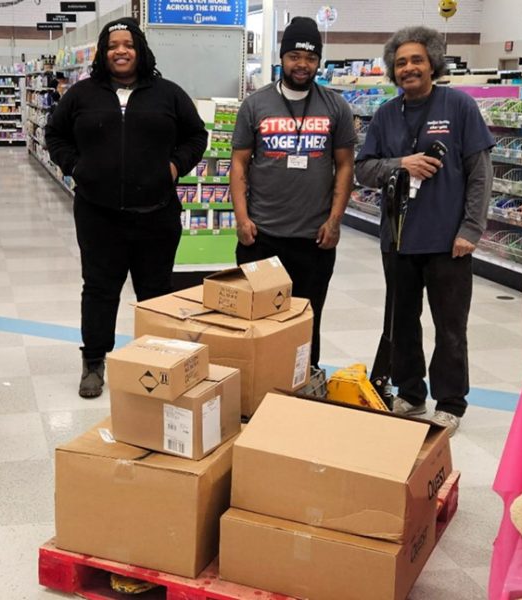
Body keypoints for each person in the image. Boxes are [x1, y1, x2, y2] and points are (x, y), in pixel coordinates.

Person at [45, 17, 208, 398]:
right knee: (100, 290)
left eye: (128, 44)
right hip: (98, 215)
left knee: (155, 291)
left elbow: (195, 134)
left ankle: (156, 360)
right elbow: (55, 133)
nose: (121, 50)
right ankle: (94, 362)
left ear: (140, 50)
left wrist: (173, 167)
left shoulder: (167, 93)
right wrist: (75, 166)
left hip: (157, 214)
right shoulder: (82, 94)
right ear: (103, 52)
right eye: (113, 45)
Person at [355, 25, 494, 436]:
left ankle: (450, 401)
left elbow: (479, 174)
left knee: (450, 325)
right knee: (403, 322)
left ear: (433, 62)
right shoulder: (385, 114)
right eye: (400, 63)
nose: (409, 68)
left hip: (449, 241)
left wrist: (471, 227)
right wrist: (402, 164)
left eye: (417, 60)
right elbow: (364, 169)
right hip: (397, 239)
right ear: (392, 71)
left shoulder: (459, 107)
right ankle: (411, 393)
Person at [230, 16, 356, 369]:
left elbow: (346, 164)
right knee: (257, 322)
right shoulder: (255, 105)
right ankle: (258, 384)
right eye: (295, 56)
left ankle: (303, 384)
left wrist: (335, 220)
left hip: (314, 239)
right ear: (282, 58)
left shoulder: (335, 106)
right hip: (262, 237)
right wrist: (242, 219)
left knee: (307, 320)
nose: (302, 64)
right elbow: (238, 163)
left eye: (311, 58)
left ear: (319, 61)